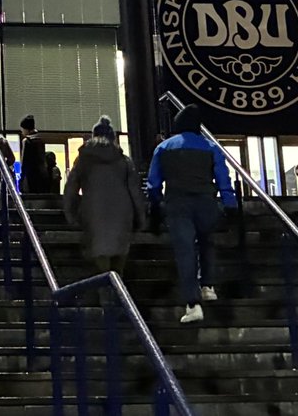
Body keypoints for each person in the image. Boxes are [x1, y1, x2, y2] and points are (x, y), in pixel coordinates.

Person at [146, 104, 238, 324]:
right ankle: (208, 286)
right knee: (207, 241)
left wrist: (155, 206)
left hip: (177, 204)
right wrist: (230, 204)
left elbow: (153, 183)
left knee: (185, 250)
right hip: (206, 201)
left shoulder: (164, 148)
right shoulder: (211, 147)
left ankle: (192, 304)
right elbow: (223, 178)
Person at [62, 116, 144, 277]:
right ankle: (118, 295)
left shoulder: (83, 160)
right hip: (122, 215)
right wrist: (141, 218)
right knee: (118, 263)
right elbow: (135, 191)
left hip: (93, 214)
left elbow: (71, 188)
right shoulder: (124, 160)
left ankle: (106, 296)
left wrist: (70, 215)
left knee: (100, 265)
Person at [19, 115, 49, 194]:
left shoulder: (27, 141)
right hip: (42, 175)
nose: (22, 132)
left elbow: (25, 162)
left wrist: (22, 178)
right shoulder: (40, 140)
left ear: (26, 129)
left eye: (22, 129)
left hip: (31, 176)